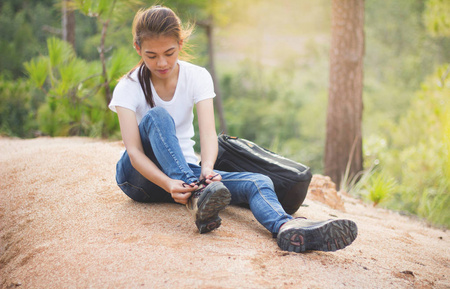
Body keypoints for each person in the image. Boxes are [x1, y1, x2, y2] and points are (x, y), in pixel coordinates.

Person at [109, 5, 357, 253]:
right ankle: (198, 198)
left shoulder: (197, 76)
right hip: (139, 178)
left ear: (180, 44)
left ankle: (286, 228)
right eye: (151, 56)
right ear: (138, 48)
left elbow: (207, 133)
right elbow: (134, 151)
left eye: (169, 52)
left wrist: (206, 170)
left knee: (257, 182)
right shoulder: (128, 87)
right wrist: (167, 182)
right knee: (157, 117)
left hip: (187, 177)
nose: (161, 62)